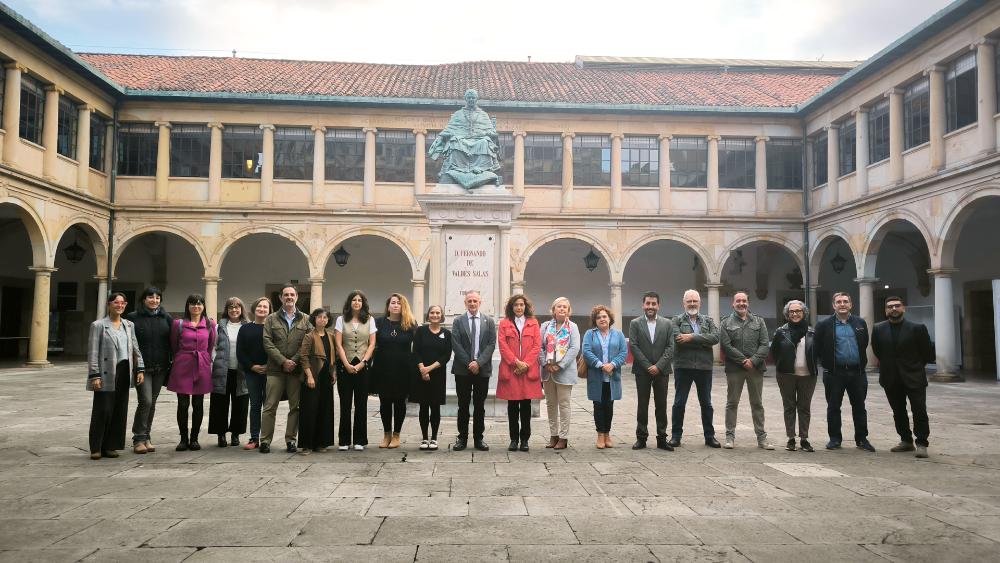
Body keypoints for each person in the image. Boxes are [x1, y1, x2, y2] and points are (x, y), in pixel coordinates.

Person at [872, 296, 935, 458]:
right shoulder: (878, 329)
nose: (894, 309)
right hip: (891, 377)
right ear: (886, 310)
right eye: (890, 306)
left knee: (919, 410)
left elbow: (927, 353)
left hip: (914, 376)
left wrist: (914, 366)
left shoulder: (917, 328)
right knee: (898, 411)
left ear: (903, 308)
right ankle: (906, 440)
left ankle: (921, 443)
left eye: (897, 306)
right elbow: (878, 350)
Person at [813, 292, 875, 452]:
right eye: (838, 302)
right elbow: (817, 348)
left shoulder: (860, 323)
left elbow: (864, 343)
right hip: (834, 373)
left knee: (860, 406)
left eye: (845, 301)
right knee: (833, 406)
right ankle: (835, 439)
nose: (842, 304)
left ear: (850, 304)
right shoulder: (824, 325)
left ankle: (862, 439)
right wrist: (826, 364)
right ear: (833, 305)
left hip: (857, 372)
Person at [87, 292, 144, 460]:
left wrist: (140, 368)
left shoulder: (129, 325)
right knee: (103, 409)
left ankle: (111, 446)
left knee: (119, 409)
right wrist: (94, 375)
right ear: (109, 304)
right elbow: (93, 352)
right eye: (116, 302)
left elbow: (135, 348)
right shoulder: (98, 325)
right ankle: (96, 447)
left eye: (123, 303)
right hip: (106, 371)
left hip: (124, 370)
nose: (120, 305)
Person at [720, 291, 774, 450]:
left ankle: (761, 438)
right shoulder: (726, 322)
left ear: (748, 303)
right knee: (732, 403)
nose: (741, 303)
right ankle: (729, 437)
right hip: (734, 368)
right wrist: (743, 360)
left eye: (744, 301)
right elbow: (726, 346)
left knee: (757, 403)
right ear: (733, 303)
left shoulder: (759, 321)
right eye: (738, 301)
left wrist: (754, 360)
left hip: (755, 369)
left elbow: (765, 344)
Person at [261, 284, 312, 454]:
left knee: (295, 407)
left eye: (292, 294)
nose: (289, 297)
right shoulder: (271, 319)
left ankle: (291, 440)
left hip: (296, 371)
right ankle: (265, 441)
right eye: (286, 295)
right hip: (275, 370)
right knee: (269, 406)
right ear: (280, 298)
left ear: (297, 297)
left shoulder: (306, 319)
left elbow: (308, 343)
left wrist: (294, 361)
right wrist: (283, 361)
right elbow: (267, 342)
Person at [670, 289, 721, 448]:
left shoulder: (708, 321)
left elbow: (715, 337)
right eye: (689, 301)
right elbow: (677, 339)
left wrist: (691, 337)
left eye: (695, 301)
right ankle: (676, 436)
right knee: (679, 402)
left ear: (700, 303)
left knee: (706, 403)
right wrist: (702, 341)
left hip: (704, 367)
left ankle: (709, 436)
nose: (692, 304)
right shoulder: (676, 320)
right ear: (684, 303)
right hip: (683, 366)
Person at [167, 294, 217, 452]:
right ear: (187, 306)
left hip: (201, 364)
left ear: (203, 306)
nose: (196, 306)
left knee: (198, 403)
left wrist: (204, 359)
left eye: (200, 303)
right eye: (193, 304)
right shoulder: (178, 324)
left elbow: (210, 347)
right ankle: (183, 439)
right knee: (182, 404)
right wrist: (181, 358)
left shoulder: (210, 324)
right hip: (182, 364)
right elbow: (174, 345)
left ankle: (194, 438)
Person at [427, 88, 502, 189]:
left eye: (473, 98)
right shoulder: (458, 114)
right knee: (454, 141)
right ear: (465, 99)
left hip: (479, 139)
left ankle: (481, 169)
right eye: (469, 97)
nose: (471, 99)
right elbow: (450, 128)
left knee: (485, 142)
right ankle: (457, 169)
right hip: (462, 139)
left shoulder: (483, 115)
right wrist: (440, 137)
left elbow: (491, 130)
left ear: (477, 99)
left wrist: (488, 133)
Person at [126, 286, 171, 454]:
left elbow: (172, 340)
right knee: (146, 401)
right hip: (142, 368)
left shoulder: (166, 318)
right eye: (150, 297)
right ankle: (138, 438)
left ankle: (147, 437)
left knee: (152, 402)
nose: (154, 300)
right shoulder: (133, 318)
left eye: (157, 297)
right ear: (143, 299)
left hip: (160, 367)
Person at [627, 291, 675, 451]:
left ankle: (662, 438)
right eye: (648, 303)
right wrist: (648, 365)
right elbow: (633, 345)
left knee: (661, 404)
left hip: (662, 371)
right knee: (643, 404)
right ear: (643, 305)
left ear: (658, 306)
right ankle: (641, 438)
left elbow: (670, 347)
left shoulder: (668, 324)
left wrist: (658, 366)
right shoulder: (635, 323)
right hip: (642, 370)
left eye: (653, 304)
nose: (650, 306)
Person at [451, 290, 497, 451]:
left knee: (480, 406)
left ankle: (479, 438)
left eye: (475, 301)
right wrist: (470, 363)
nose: (472, 303)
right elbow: (455, 344)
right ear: (465, 303)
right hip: (462, 370)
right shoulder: (458, 321)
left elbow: (491, 344)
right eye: (469, 301)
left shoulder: (489, 321)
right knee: (462, 405)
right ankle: (462, 438)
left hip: (482, 370)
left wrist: (478, 363)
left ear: (480, 303)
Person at [769, 300, 817, 452]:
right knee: (789, 406)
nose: (795, 314)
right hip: (786, 375)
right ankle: (791, 438)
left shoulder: (812, 332)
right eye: (792, 312)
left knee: (804, 407)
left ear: (804, 313)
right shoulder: (780, 332)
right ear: (787, 314)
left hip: (808, 375)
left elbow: (818, 351)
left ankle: (804, 439)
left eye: (798, 311)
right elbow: (775, 352)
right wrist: (783, 364)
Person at [496, 294, 542, 452]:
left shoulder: (533, 323)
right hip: (512, 369)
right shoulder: (504, 323)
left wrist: (526, 364)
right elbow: (502, 346)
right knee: (512, 406)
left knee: (526, 406)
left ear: (526, 306)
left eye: (521, 304)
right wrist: (516, 362)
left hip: (527, 370)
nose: (519, 307)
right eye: (516, 305)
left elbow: (537, 345)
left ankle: (525, 440)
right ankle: (513, 439)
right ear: (511, 307)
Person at [373, 293, 417, 449]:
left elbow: (416, 348)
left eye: (399, 302)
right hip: (383, 367)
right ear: (388, 306)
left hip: (403, 368)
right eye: (393, 302)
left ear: (403, 305)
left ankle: (397, 435)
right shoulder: (378, 322)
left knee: (399, 402)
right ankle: (386, 434)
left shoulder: (411, 324)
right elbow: (372, 344)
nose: (396, 305)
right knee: (384, 402)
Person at [334, 290, 376, 451]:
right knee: (345, 404)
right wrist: (345, 363)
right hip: (345, 366)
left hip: (363, 366)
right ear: (349, 303)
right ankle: (344, 440)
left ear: (363, 303)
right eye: (354, 300)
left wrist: (363, 362)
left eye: (359, 300)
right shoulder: (340, 320)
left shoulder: (370, 320)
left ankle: (360, 439)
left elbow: (372, 344)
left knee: (361, 404)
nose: (357, 302)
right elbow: (338, 344)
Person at [582, 305, 628, 450]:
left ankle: (607, 434)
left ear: (609, 319)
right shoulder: (590, 334)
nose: (602, 319)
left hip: (612, 376)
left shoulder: (618, 334)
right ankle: (600, 435)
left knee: (609, 405)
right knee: (598, 405)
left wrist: (612, 364)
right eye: (598, 317)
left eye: (604, 316)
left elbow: (623, 352)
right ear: (595, 320)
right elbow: (586, 351)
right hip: (597, 376)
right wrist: (601, 365)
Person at [539, 296, 580, 450]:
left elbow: (574, 348)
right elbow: (539, 347)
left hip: (565, 372)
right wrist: (545, 363)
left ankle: (563, 437)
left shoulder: (573, 327)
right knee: (550, 404)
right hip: (547, 371)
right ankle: (553, 435)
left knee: (564, 405)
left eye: (565, 307)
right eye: (559, 306)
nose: (562, 309)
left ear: (568, 311)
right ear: (553, 309)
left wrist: (560, 365)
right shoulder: (545, 326)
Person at [209, 297, 250, 448]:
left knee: (240, 403)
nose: (234, 310)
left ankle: (235, 434)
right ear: (226, 310)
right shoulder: (219, 326)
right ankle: (221, 435)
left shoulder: (247, 326)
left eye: (237, 307)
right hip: (221, 370)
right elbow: (212, 347)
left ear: (241, 309)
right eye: (231, 307)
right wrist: (214, 363)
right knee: (220, 403)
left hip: (241, 371)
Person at [411, 305, 452, 451]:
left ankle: (434, 438)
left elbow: (446, 355)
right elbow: (415, 351)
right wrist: (422, 369)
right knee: (423, 406)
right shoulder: (421, 331)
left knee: (435, 407)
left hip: (437, 374)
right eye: (432, 312)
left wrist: (429, 368)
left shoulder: (447, 333)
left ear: (442, 316)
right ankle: (424, 438)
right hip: (421, 373)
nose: (435, 315)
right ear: (428, 315)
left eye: (437, 313)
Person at [297, 308, 337, 454]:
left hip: (326, 377)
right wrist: (309, 376)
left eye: (325, 317)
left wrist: (333, 373)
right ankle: (307, 445)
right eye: (319, 317)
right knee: (309, 410)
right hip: (313, 377)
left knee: (324, 409)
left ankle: (321, 443)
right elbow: (304, 357)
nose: (322, 319)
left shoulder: (331, 336)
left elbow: (333, 357)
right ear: (314, 319)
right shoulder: (309, 336)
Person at [237, 296, 271, 450]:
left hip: (270, 371)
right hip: (252, 373)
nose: (262, 309)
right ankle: (254, 438)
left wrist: (268, 365)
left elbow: (277, 349)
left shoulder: (272, 328)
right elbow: (240, 352)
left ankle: (266, 439)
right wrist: (252, 367)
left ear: (269, 311)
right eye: (259, 306)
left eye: (265, 307)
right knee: (255, 405)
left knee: (268, 406)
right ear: (254, 308)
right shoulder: (245, 328)